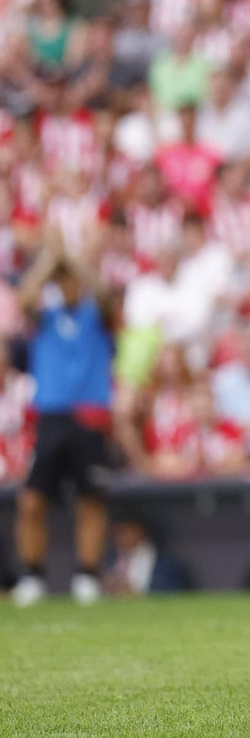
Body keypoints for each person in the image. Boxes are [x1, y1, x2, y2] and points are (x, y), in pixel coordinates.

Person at [12, 232, 119, 607]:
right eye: (64, 279)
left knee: (90, 500)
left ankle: (87, 575)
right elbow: (24, 296)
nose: (70, 284)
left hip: (89, 414)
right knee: (32, 501)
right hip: (52, 415)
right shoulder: (45, 318)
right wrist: (49, 259)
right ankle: (32, 575)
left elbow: (104, 291)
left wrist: (69, 257)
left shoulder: (97, 316)